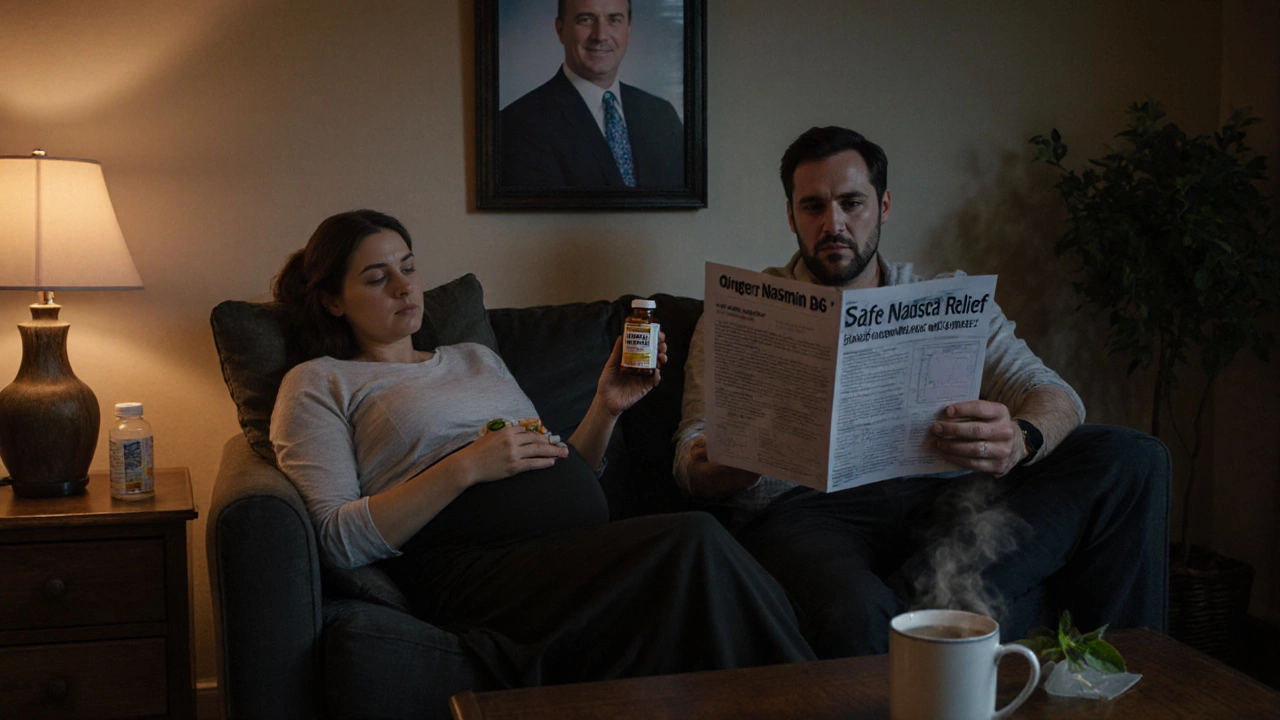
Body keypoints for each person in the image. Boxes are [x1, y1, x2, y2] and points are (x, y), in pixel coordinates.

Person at [673, 126, 1171, 658]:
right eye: (813, 206)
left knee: (1132, 458)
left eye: (852, 203)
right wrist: (731, 462)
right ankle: (931, 603)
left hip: (944, 499)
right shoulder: (741, 312)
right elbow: (689, 456)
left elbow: (1054, 393)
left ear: (883, 205)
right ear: (791, 215)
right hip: (806, 514)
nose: (833, 224)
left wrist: (1020, 437)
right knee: (854, 614)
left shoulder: (944, 299)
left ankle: (1112, 686)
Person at [269, 209, 814, 688]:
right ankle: (822, 699)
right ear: (332, 300)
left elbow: (557, 463)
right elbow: (336, 539)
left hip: (561, 549)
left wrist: (607, 405)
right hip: (468, 568)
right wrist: (466, 468)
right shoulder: (319, 382)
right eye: (376, 277)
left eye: (408, 267)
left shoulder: (473, 357)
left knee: (702, 574)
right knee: (693, 538)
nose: (404, 288)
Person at [499, 0, 684, 188]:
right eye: (586, 19)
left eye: (614, 20)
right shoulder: (520, 123)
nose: (600, 35)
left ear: (629, 30)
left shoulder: (662, 116)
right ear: (560, 29)